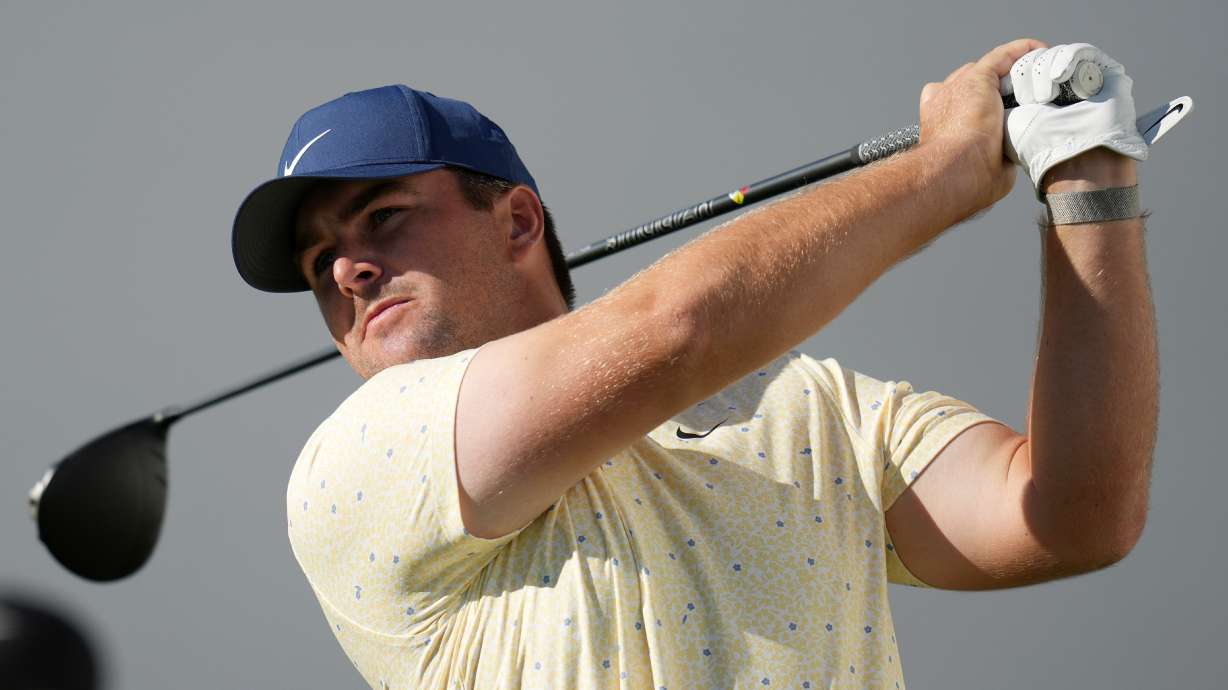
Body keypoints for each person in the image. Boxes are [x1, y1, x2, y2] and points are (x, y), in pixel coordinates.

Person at [231, 38, 1158, 689]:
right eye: (319, 263)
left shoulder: (812, 408)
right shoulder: (357, 459)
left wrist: (1088, 180)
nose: (347, 270)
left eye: (384, 217)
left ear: (516, 222)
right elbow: (680, 331)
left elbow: (1074, 516)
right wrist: (945, 171)